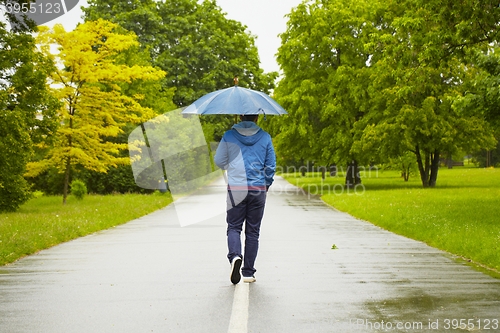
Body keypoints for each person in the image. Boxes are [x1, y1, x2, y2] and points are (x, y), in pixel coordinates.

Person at [214, 114, 276, 284]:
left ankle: (235, 256)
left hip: (236, 188)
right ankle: (248, 272)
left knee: (234, 227)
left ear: (240, 116)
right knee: (253, 231)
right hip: (258, 190)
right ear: (257, 117)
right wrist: (266, 184)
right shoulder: (265, 137)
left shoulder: (229, 136)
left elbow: (219, 160)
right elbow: (270, 166)